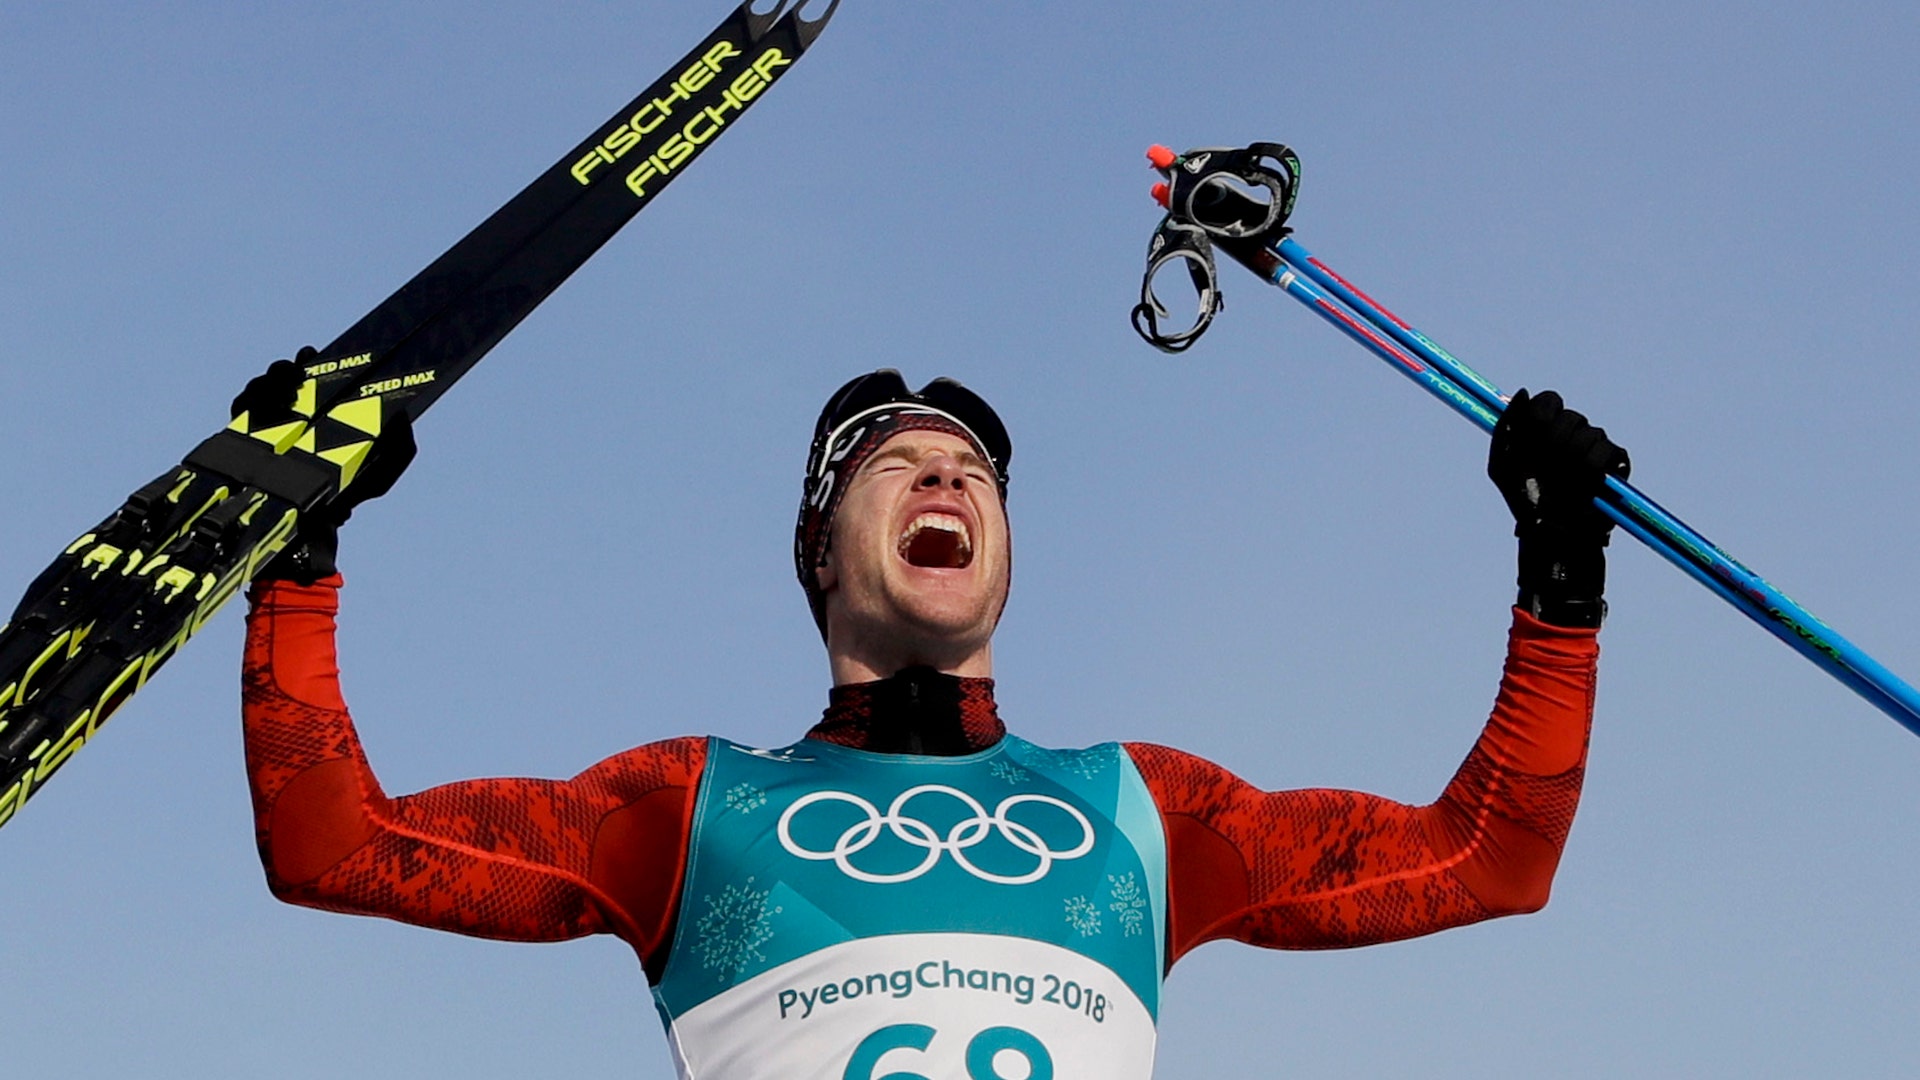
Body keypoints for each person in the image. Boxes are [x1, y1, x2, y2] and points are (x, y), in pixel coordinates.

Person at [239, 366, 1627, 1079]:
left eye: (970, 470)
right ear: (821, 551)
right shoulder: (690, 805)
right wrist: (298, 557)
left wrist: (1561, 582)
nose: (942, 476)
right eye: (894, 464)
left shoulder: (1141, 809)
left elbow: (1488, 861)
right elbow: (334, 846)